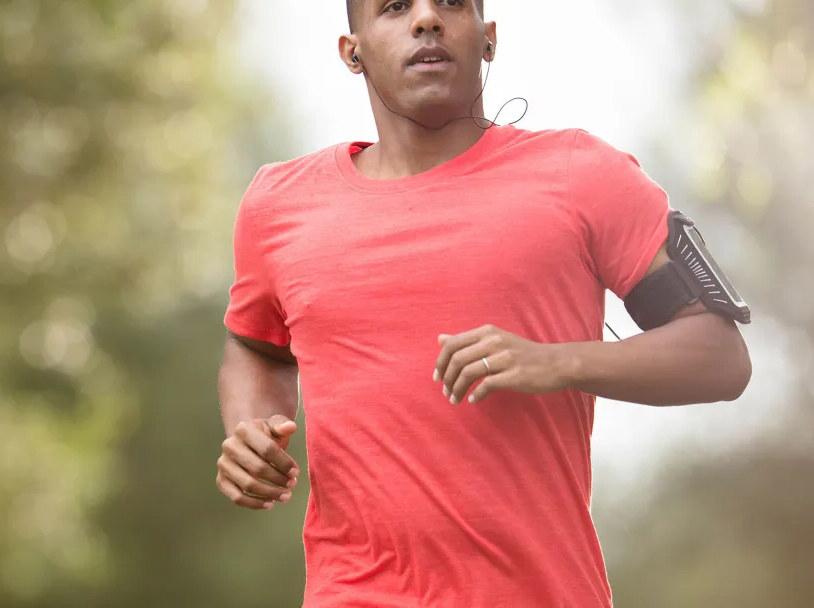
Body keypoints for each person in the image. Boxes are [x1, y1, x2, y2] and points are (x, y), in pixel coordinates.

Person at [215, 1, 753, 606]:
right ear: (352, 51)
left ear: (489, 38)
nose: (426, 19)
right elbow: (255, 346)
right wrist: (252, 430)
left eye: (451, 2)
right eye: (394, 7)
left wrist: (559, 361)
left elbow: (720, 356)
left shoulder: (583, 175)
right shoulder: (279, 205)